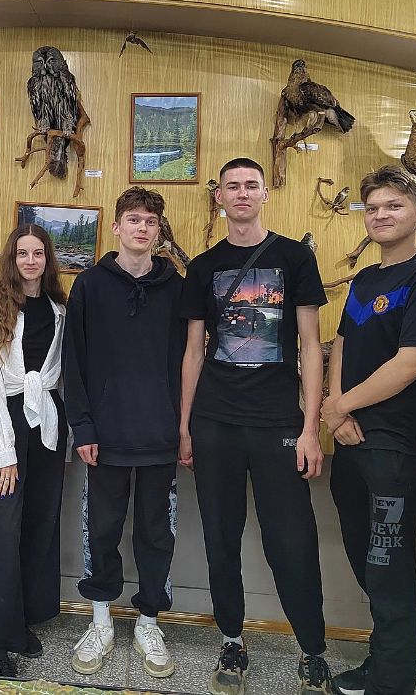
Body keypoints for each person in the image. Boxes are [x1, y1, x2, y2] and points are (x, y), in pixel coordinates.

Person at [179, 157, 335, 695]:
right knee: (220, 537)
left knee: (292, 540)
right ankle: (231, 639)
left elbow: (310, 346)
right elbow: (194, 351)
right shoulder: (203, 267)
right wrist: (185, 426)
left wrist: (311, 428)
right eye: (232, 186)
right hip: (215, 421)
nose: (242, 193)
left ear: (265, 194)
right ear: (219, 197)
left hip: (277, 422)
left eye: (251, 185)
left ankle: (312, 649)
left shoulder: (294, 258)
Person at [320, 166, 416, 695]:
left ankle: (392, 682)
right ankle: (380, 665)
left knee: (388, 570)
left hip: (394, 447)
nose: (380, 215)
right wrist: (336, 409)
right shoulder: (365, 279)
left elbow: (411, 363)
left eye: (393, 206)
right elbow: (342, 344)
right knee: (366, 563)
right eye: (372, 207)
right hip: (350, 440)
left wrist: (340, 407)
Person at [63, 187, 184, 680]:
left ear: (159, 231)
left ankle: (150, 622)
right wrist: (82, 427)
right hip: (104, 435)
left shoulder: (176, 288)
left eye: (150, 221)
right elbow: (73, 362)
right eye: (133, 219)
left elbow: (186, 362)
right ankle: (100, 621)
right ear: (116, 227)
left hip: (160, 435)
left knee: (157, 532)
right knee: (102, 529)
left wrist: (183, 427)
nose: (142, 228)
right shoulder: (89, 286)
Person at [0, 223, 68, 679]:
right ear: (12, 259)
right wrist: (3, 450)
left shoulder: (59, 310)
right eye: (22, 253)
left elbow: (60, 373)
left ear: (47, 260)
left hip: (46, 420)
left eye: (38, 253)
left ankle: (22, 620)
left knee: (40, 522)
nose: (30, 261)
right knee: (8, 530)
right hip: (5, 423)